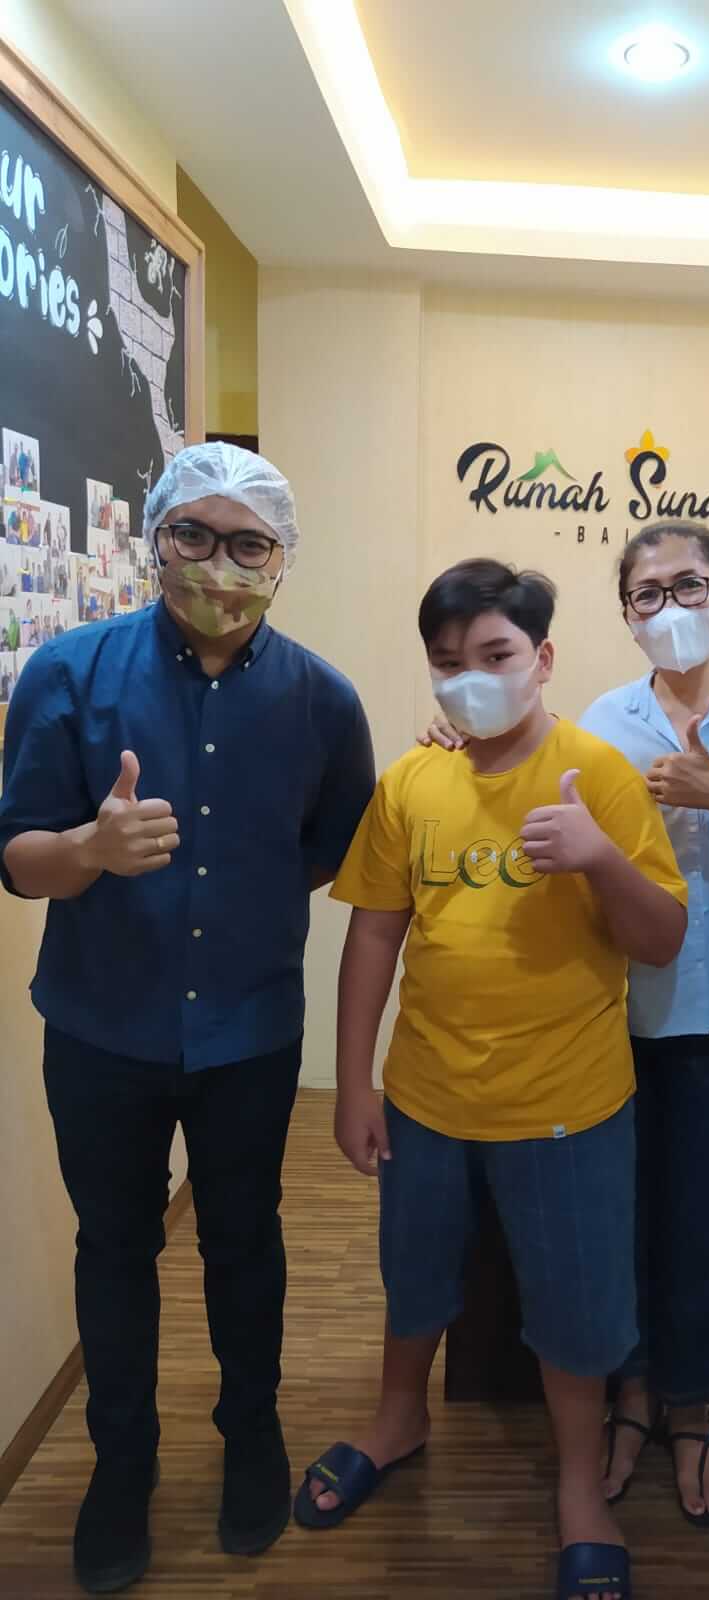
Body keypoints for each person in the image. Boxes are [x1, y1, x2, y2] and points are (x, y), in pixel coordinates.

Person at [0, 442, 375, 1596]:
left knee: (244, 1240)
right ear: (156, 539)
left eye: (248, 542)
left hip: (249, 1033)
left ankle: (250, 1431)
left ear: (282, 556)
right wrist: (89, 848)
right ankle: (123, 1463)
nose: (221, 563)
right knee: (114, 1245)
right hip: (100, 1028)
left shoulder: (323, 700)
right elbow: (17, 859)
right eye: (194, 535)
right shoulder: (67, 673)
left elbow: (332, 848)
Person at [297, 558, 688, 1600]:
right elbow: (373, 935)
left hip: (569, 1106)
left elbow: (662, 939)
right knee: (415, 1276)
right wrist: (353, 1084)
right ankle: (398, 1419)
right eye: (447, 662)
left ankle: (579, 1486)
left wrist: (600, 856)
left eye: (495, 654)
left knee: (577, 1308)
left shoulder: (599, 774)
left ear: (542, 658)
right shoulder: (413, 780)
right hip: (426, 1098)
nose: (470, 678)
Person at [420, 523, 709, 1526]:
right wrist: (456, 738)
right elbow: (518, 782)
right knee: (615, 1229)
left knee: (702, 1228)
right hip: (608, 1021)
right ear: (627, 615)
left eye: (690, 586)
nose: (670, 609)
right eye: (647, 594)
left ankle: (692, 1408)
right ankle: (629, 1397)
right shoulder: (604, 719)